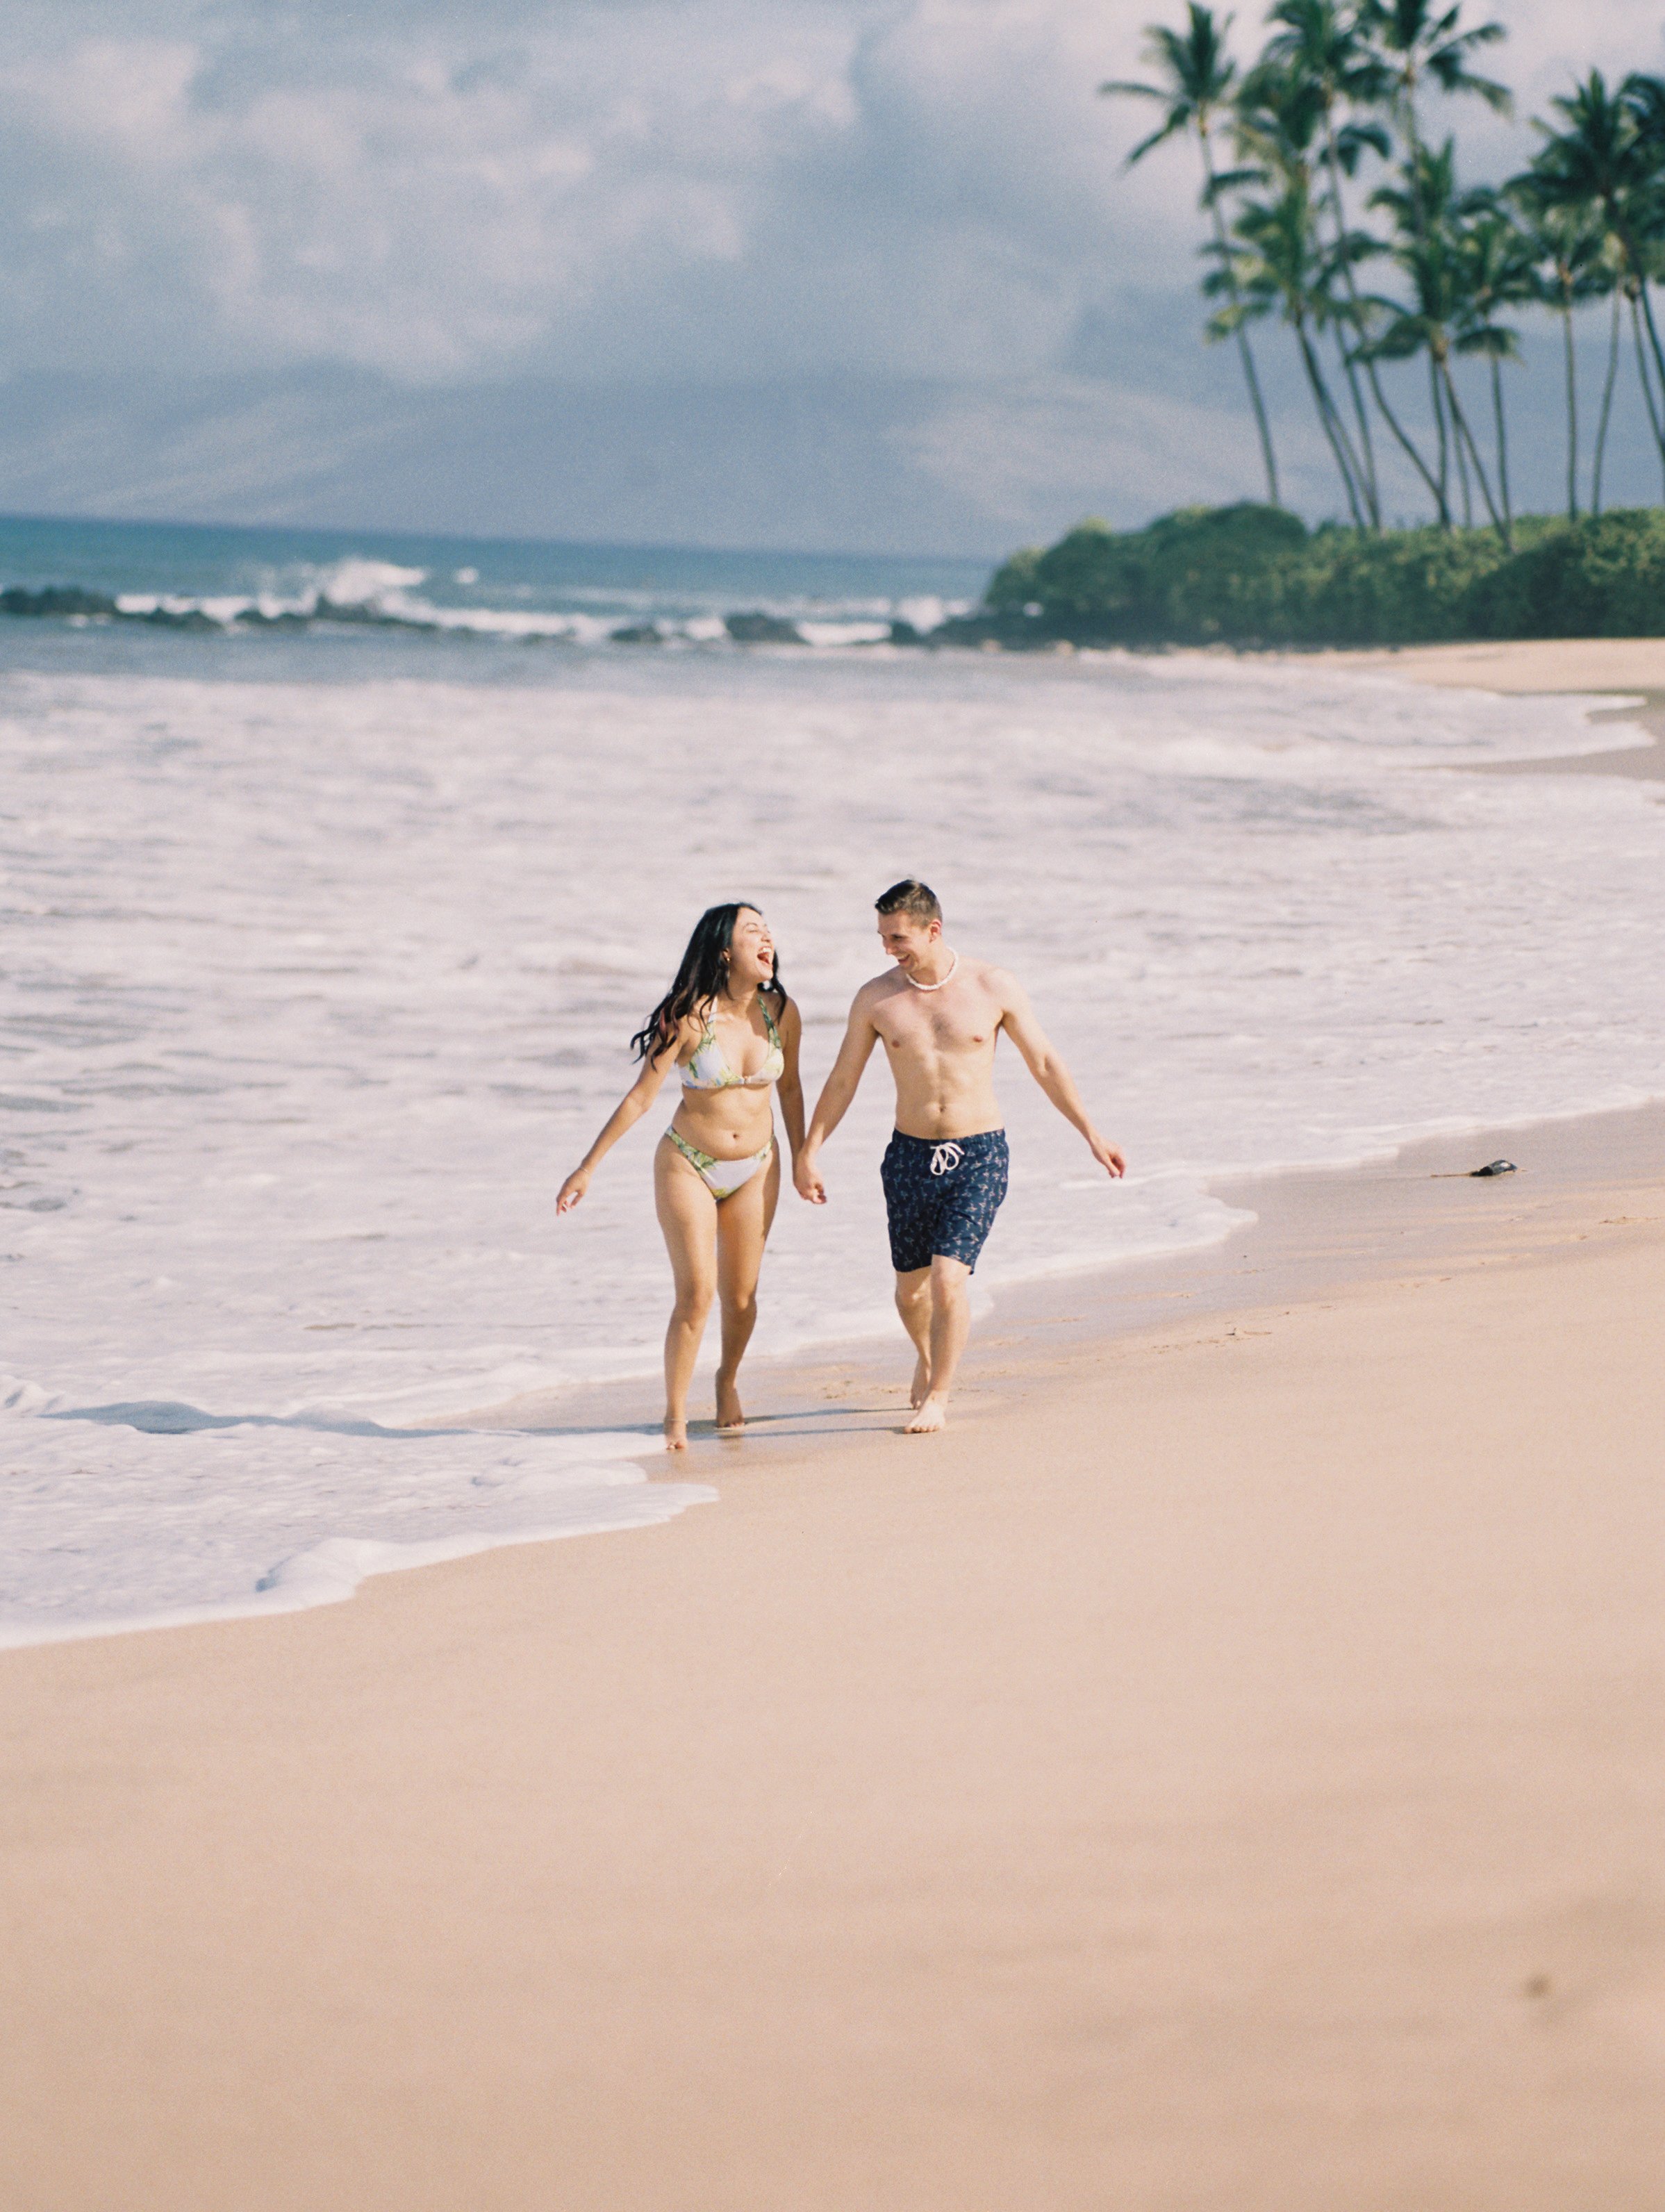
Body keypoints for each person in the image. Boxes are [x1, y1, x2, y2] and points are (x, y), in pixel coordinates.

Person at [795, 879, 1125, 1433]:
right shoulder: (876, 998)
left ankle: (939, 1397)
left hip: (978, 1152)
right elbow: (843, 1079)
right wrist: (809, 1150)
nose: (887, 947)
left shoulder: (992, 986)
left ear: (933, 929)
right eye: (881, 936)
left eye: (897, 936)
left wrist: (1090, 1132)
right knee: (909, 1289)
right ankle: (928, 1360)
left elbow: (1043, 1061)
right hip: (908, 1155)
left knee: (949, 1277)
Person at [558, 903, 804, 1449]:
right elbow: (641, 1097)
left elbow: (789, 1090)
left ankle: (726, 1380)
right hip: (688, 1162)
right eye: (751, 931)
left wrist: (803, 1155)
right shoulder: (687, 1017)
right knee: (697, 1294)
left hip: (758, 1162)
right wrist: (587, 1166)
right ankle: (674, 1414)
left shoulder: (780, 1011)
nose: (767, 937)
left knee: (741, 1297)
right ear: (724, 952)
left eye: (768, 929)